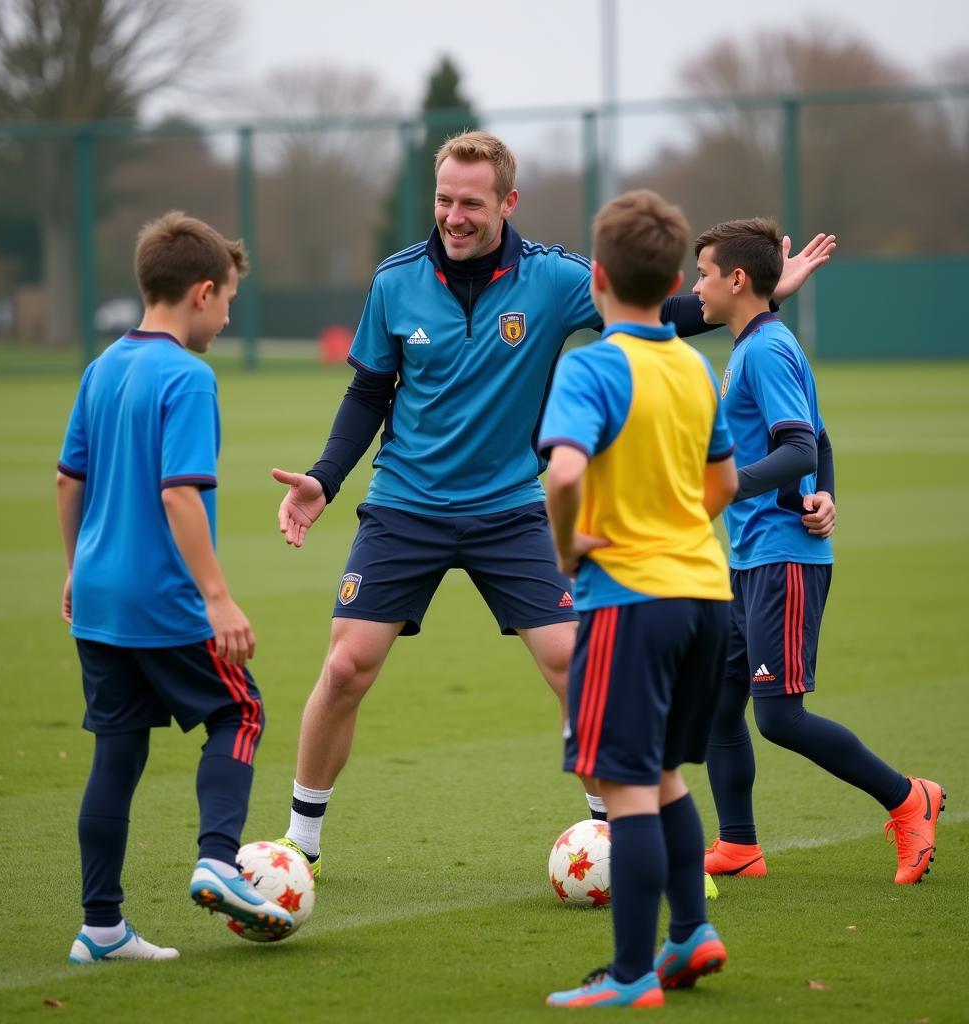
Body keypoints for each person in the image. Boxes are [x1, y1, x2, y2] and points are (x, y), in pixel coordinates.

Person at [269, 131, 832, 875]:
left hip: (510, 507)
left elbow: (654, 308)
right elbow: (369, 391)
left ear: (508, 201)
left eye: (471, 202)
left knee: (575, 664)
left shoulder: (555, 278)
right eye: (443, 199)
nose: (454, 216)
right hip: (405, 506)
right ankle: (299, 843)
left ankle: (610, 837)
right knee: (344, 668)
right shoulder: (394, 282)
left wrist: (760, 291)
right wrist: (324, 478)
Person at [56, 211, 294, 964]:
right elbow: (179, 495)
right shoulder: (188, 376)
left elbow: (68, 479)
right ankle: (220, 859)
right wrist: (218, 597)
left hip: (97, 598)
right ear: (200, 292)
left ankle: (101, 929)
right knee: (241, 710)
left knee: (116, 755)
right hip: (164, 600)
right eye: (226, 299)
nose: (226, 316)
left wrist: (75, 568)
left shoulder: (104, 367)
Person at [693, 217, 945, 886]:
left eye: (704, 274)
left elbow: (799, 446)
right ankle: (739, 846)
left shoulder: (765, 351)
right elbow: (820, 444)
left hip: (783, 558)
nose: (697, 288)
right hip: (748, 559)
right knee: (720, 705)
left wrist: (722, 488)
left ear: (736, 280)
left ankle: (908, 798)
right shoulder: (756, 345)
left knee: (777, 717)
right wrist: (824, 493)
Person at [540, 189, 737, 1009]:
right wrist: (673, 530)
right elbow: (723, 479)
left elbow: (564, 471)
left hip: (631, 601)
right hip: (706, 594)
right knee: (663, 776)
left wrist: (569, 545)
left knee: (624, 787)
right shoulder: (694, 364)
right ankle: (690, 934)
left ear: (598, 276)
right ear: (671, 285)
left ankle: (629, 979)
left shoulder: (591, 365)